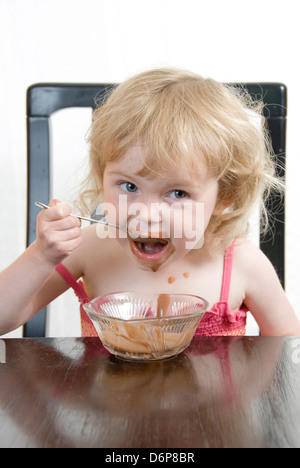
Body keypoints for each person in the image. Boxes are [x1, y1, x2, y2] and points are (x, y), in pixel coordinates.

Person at [1, 68, 299, 337]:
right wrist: (41, 256)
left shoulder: (240, 264)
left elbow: (289, 355)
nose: (146, 216)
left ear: (224, 197)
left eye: (178, 193)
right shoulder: (89, 248)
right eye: (129, 186)